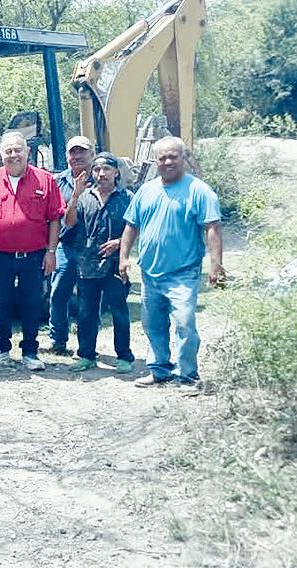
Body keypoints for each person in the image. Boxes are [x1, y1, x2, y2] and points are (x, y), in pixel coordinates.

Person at [119, 136, 225, 390]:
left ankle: (188, 375)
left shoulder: (199, 191)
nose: (168, 162)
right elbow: (131, 226)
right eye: (162, 158)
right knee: (152, 324)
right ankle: (159, 370)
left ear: (183, 158)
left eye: (173, 157)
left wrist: (216, 265)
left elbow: (212, 228)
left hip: (183, 272)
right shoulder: (146, 191)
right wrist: (123, 257)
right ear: (155, 161)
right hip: (150, 272)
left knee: (185, 323)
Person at [0, 131, 66, 370]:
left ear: (27, 152)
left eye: (18, 150)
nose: (13, 155)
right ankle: (1, 349)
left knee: (31, 302)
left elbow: (55, 218)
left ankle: (30, 352)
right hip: (0, 254)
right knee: (0, 302)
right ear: (1, 154)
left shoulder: (45, 180)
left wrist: (51, 252)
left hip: (33, 255)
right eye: (8, 151)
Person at [63, 152, 135, 374]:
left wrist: (119, 242)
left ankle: (124, 356)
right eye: (97, 169)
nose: (101, 174)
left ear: (116, 172)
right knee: (86, 312)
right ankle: (86, 355)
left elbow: (136, 227)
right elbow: (69, 222)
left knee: (119, 311)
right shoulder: (85, 197)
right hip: (87, 264)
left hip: (115, 265)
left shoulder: (127, 198)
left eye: (106, 169)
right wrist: (75, 196)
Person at [49, 135, 95, 355]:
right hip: (66, 245)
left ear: (92, 154)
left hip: (93, 249)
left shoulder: (101, 177)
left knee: (89, 298)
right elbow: (52, 215)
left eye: (81, 151)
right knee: (58, 293)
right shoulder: (58, 181)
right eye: (72, 152)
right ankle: (58, 340)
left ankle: (87, 345)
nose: (76, 156)